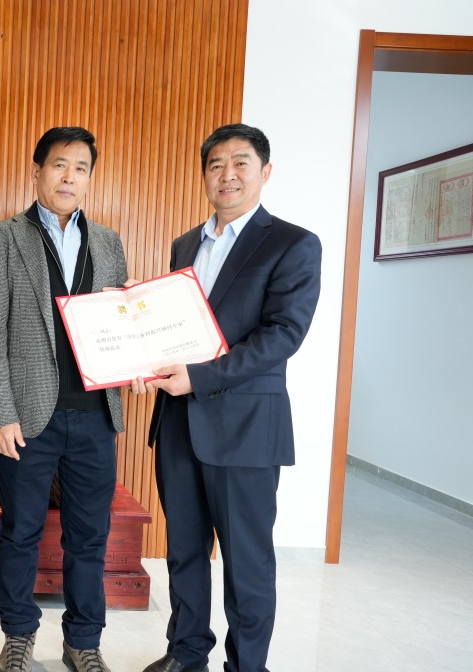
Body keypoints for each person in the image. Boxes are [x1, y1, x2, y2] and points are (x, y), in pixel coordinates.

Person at [133, 123, 321, 672]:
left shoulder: (292, 243)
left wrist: (199, 377)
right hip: (178, 424)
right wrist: (143, 360)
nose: (228, 174)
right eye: (216, 164)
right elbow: (174, 328)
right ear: (205, 175)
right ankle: (187, 652)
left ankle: (247, 665)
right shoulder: (185, 244)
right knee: (184, 551)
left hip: (245, 430)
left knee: (247, 563)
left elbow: (282, 335)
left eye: (241, 163)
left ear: (265, 172)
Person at [0, 127, 128, 672]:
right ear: (37, 171)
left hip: (96, 417)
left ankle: (83, 641)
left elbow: (119, 325)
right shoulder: (3, 239)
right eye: (59, 164)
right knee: (20, 532)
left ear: (89, 177)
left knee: (90, 536)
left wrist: (136, 363)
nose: (69, 176)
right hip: (26, 419)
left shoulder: (108, 242)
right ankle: (18, 635)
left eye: (81, 167)